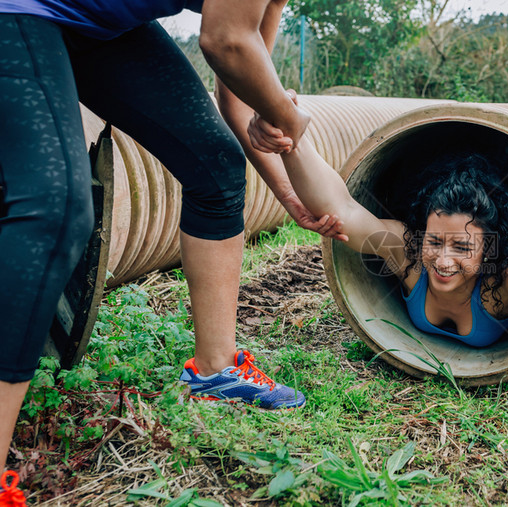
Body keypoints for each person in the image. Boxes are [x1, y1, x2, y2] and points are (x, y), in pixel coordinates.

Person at [0, 0, 343, 488]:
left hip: (101, 26)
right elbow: (225, 42)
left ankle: (215, 371)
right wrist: (286, 111)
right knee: (56, 210)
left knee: (216, 166)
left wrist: (286, 193)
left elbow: (239, 83)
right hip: (22, 10)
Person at [247, 108, 508, 346]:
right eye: (435, 241)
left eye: (462, 247)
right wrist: (292, 142)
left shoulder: (498, 283)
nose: (443, 259)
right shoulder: (409, 258)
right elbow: (341, 209)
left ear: (490, 249)